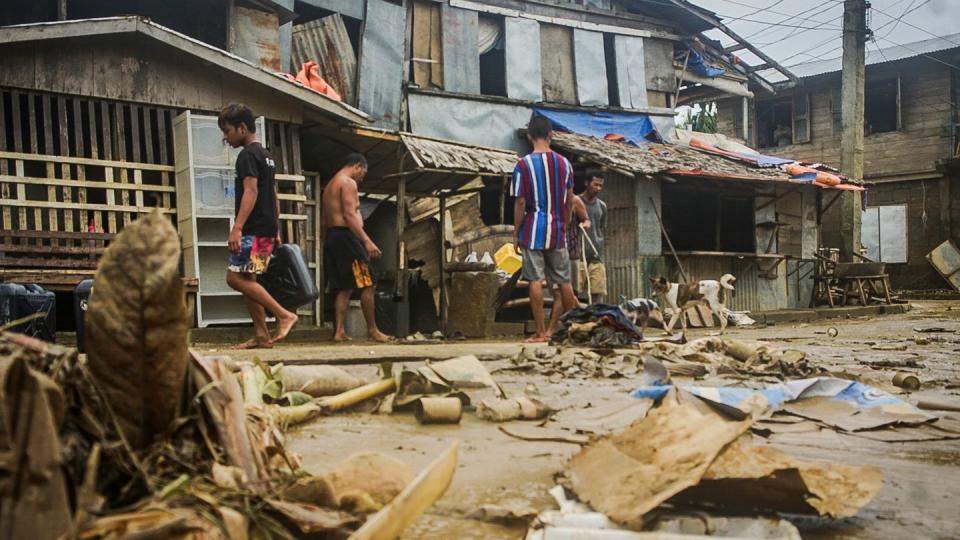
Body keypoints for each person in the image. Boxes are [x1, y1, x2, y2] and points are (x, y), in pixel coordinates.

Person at [220, 103, 298, 349]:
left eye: (228, 130)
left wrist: (237, 227)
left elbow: (251, 191)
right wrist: (275, 229)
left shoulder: (247, 155)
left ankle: (284, 315)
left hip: (253, 227)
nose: (226, 137)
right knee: (247, 278)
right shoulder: (266, 155)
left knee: (234, 278)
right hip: (265, 226)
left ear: (242, 128)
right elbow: (272, 194)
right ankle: (262, 335)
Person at [512, 116, 578, 343]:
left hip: (532, 231)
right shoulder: (565, 164)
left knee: (535, 280)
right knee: (564, 281)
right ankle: (573, 329)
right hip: (558, 230)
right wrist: (566, 222)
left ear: (530, 136)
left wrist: (515, 232)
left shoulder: (522, 165)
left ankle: (540, 332)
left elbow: (520, 202)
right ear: (551, 135)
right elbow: (570, 200)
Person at [321, 153, 392, 343]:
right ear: (358, 166)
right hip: (346, 237)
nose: (362, 178)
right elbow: (350, 215)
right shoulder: (348, 183)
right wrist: (366, 241)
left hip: (333, 238)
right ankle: (373, 330)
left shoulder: (329, 186)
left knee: (345, 287)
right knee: (369, 283)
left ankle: (339, 332)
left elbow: (324, 220)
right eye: (364, 173)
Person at [546, 193, 590, 335]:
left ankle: (552, 329)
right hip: (553, 251)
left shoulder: (575, 201)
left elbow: (586, 220)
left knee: (561, 293)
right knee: (562, 293)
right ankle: (584, 317)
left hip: (571, 253)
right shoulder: (549, 199)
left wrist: (584, 225)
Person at [579, 170, 608, 304]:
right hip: (578, 256)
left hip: (597, 257)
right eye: (595, 185)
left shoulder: (602, 206)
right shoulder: (575, 202)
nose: (598, 188)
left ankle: (597, 322)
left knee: (598, 293)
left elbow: (601, 228)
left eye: (601, 186)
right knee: (574, 291)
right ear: (586, 183)